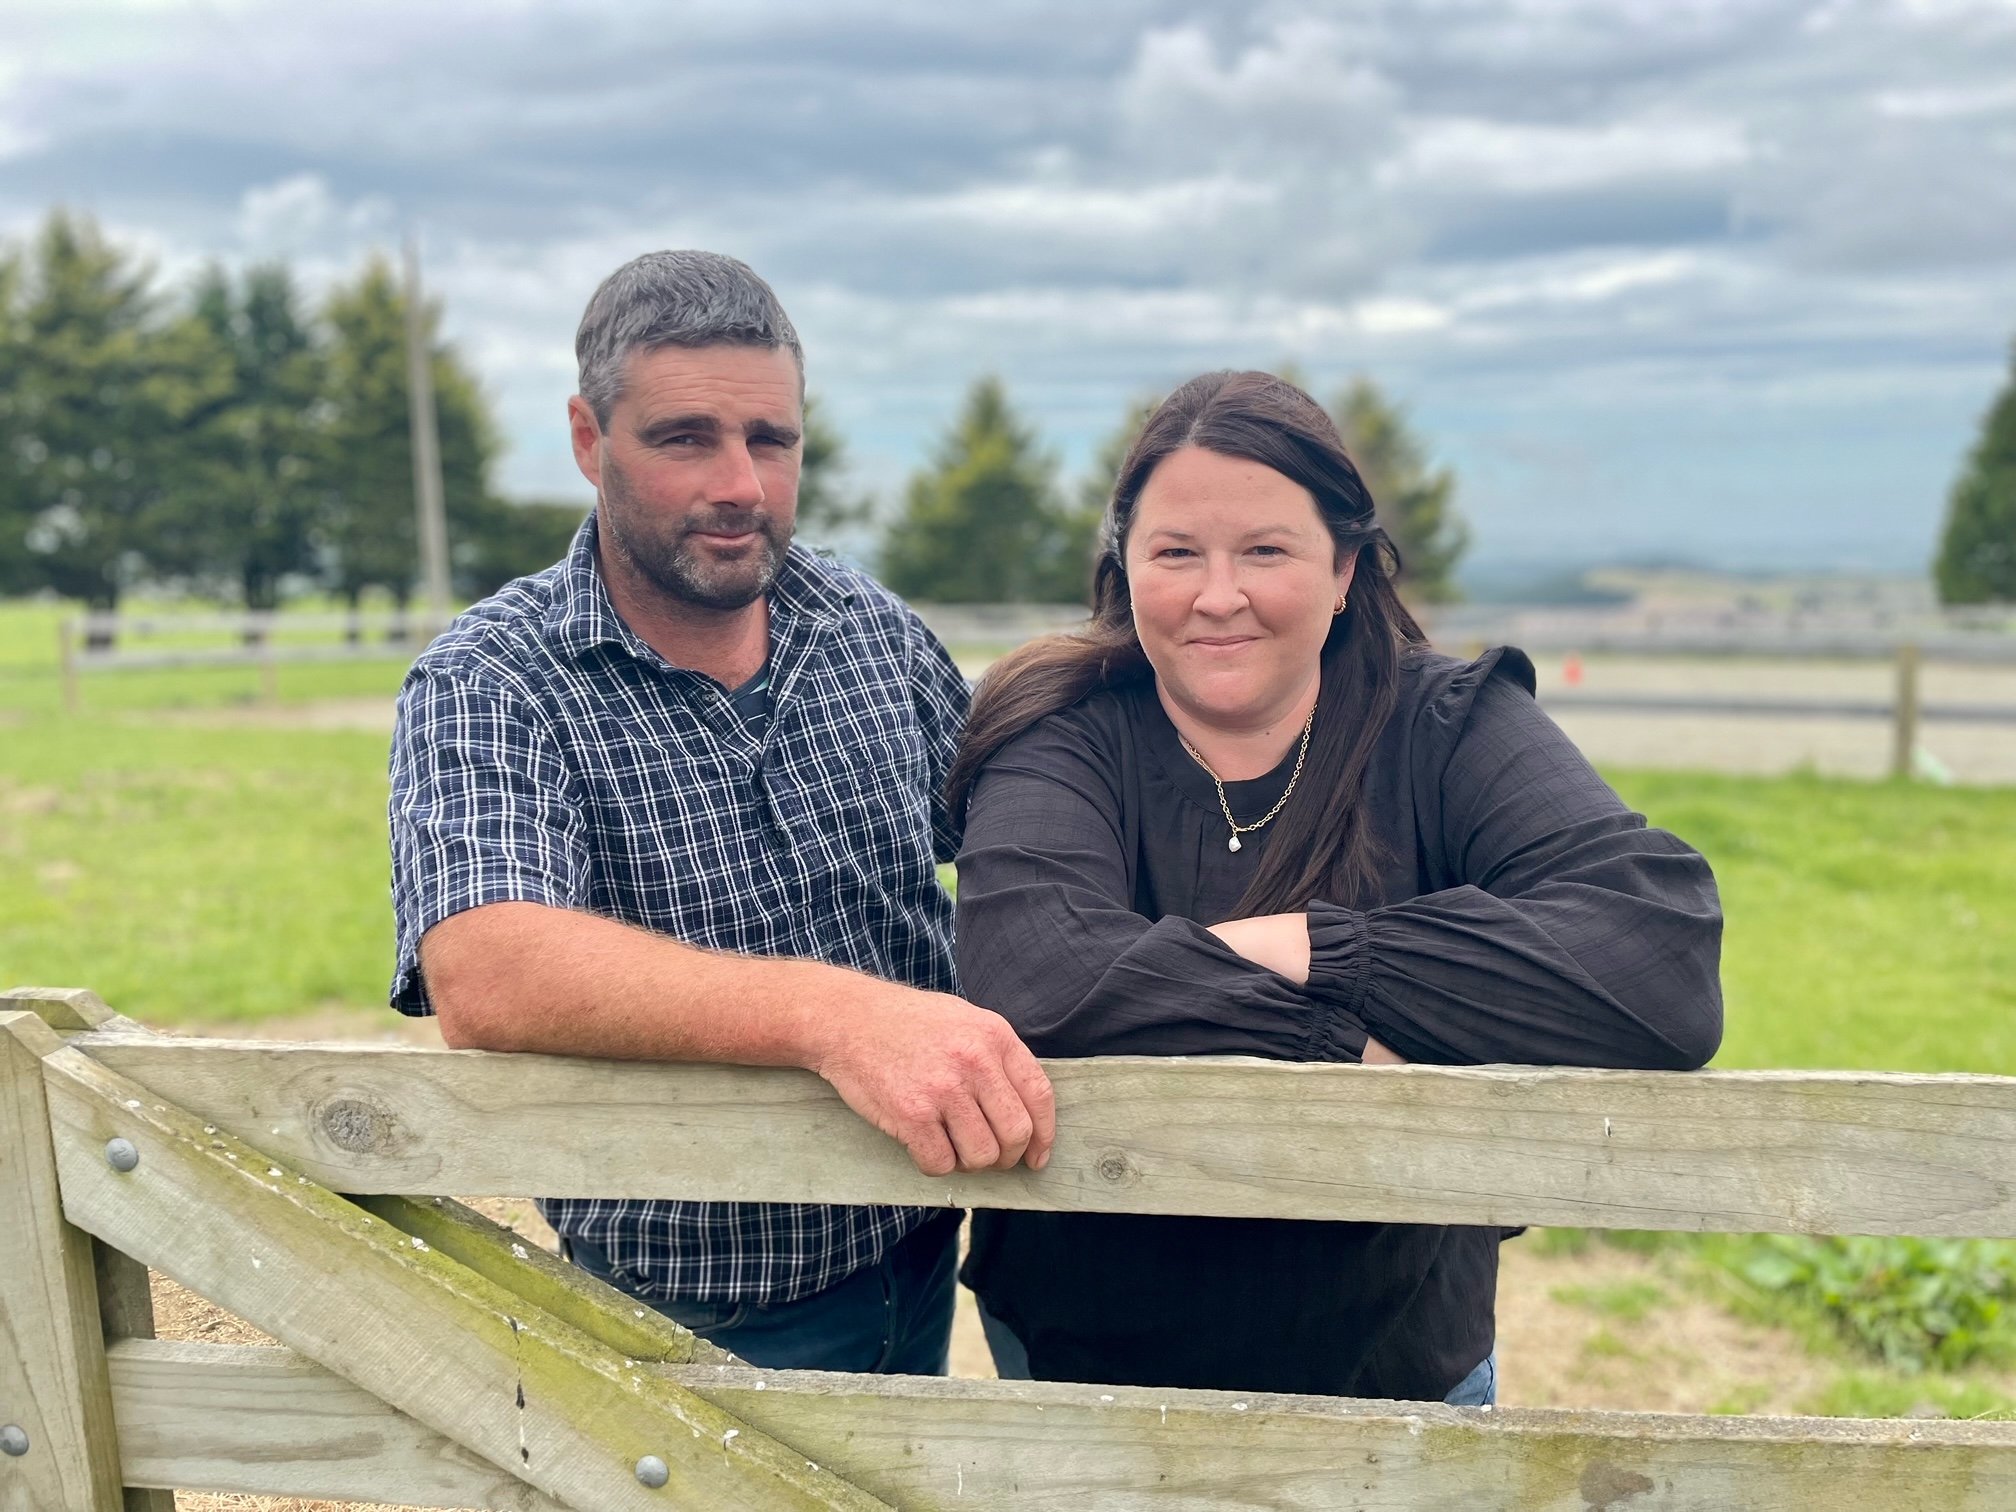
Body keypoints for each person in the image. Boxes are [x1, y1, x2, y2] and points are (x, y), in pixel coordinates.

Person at [948, 370, 1722, 1405]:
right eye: (1176, 553)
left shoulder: (1449, 727)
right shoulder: (1060, 733)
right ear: (1125, 567)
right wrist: (1333, 1041)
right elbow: (1030, 975)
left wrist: (1314, 950)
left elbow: (1659, 955)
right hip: (1093, 1361)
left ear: (1345, 566)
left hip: (1399, 1363)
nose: (1218, 595)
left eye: (1265, 551)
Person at [386, 250, 1054, 1375]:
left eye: (772, 441)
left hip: (919, 1242)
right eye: (686, 437)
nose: (741, 482)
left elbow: (1026, 837)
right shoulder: (493, 679)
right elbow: (488, 969)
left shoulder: (870, 632)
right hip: (685, 1311)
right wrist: (840, 1019)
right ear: (590, 441)